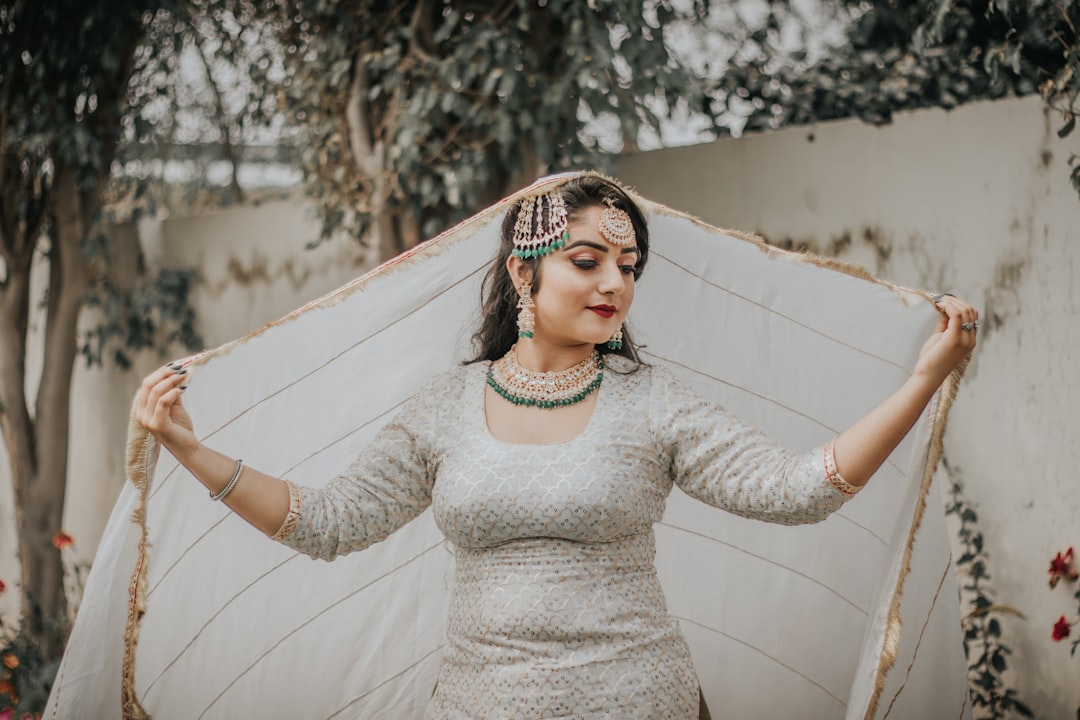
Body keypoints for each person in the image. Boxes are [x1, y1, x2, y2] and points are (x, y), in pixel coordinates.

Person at [135, 174, 977, 719]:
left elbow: (802, 490)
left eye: (630, 265)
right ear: (521, 272)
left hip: (641, 704)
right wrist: (187, 448)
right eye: (588, 260)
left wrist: (923, 380)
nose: (616, 283)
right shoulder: (447, 408)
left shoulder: (653, 406)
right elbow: (327, 523)